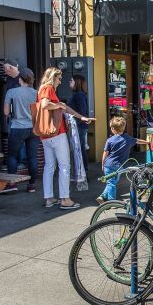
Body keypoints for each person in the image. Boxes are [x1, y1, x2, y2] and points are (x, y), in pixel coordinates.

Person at [37, 67, 95, 210]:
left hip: (46, 134)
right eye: (59, 78)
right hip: (57, 133)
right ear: (53, 77)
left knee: (49, 166)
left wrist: (81, 116)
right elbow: (45, 105)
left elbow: (63, 108)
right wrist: (59, 104)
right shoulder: (48, 88)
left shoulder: (43, 89)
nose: (60, 81)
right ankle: (65, 199)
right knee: (64, 166)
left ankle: (49, 198)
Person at [1, 68, 38, 194]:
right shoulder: (36, 93)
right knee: (32, 157)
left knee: (12, 156)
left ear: (20, 79)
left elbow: (6, 112)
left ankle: (12, 184)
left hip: (17, 127)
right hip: (33, 128)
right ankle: (32, 185)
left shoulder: (12, 92)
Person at [97, 116, 149, 204]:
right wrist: (147, 142)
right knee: (112, 182)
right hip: (120, 166)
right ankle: (109, 200)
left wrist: (102, 164)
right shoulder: (128, 139)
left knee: (111, 182)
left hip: (108, 165)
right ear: (123, 127)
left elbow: (105, 153)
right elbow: (138, 141)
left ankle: (106, 199)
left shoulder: (110, 140)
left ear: (113, 129)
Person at [68, 74, 89, 175]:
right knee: (80, 149)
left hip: (79, 126)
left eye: (71, 80)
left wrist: (76, 124)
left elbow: (82, 112)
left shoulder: (79, 95)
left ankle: (82, 172)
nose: (69, 82)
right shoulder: (79, 94)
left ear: (77, 82)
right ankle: (83, 172)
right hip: (80, 126)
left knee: (78, 150)